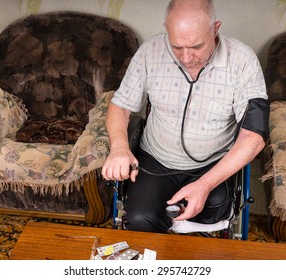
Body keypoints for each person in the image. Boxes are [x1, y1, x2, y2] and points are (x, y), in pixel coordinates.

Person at [101, 0, 269, 233]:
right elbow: (120, 106)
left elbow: (255, 135)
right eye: (177, 47)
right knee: (140, 218)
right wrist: (119, 147)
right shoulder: (150, 51)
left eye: (197, 46)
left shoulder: (243, 60)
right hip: (155, 160)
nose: (187, 57)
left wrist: (205, 184)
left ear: (215, 28)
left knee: (212, 212)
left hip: (212, 164)